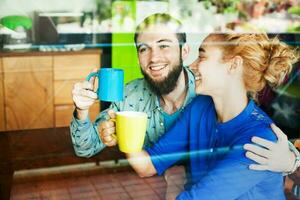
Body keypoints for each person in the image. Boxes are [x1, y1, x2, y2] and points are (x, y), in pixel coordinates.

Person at [70, 13, 299, 194]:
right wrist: (90, 114)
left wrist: (291, 161)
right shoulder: (190, 105)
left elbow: (265, 138)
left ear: (184, 51)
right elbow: (142, 162)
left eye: (164, 45)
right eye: (143, 49)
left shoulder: (213, 98)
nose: (153, 57)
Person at [125, 33, 299, 199]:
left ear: (233, 65)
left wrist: (174, 183)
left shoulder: (259, 142)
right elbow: (148, 165)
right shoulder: (199, 108)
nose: (191, 66)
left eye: (202, 57)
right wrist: (121, 128)